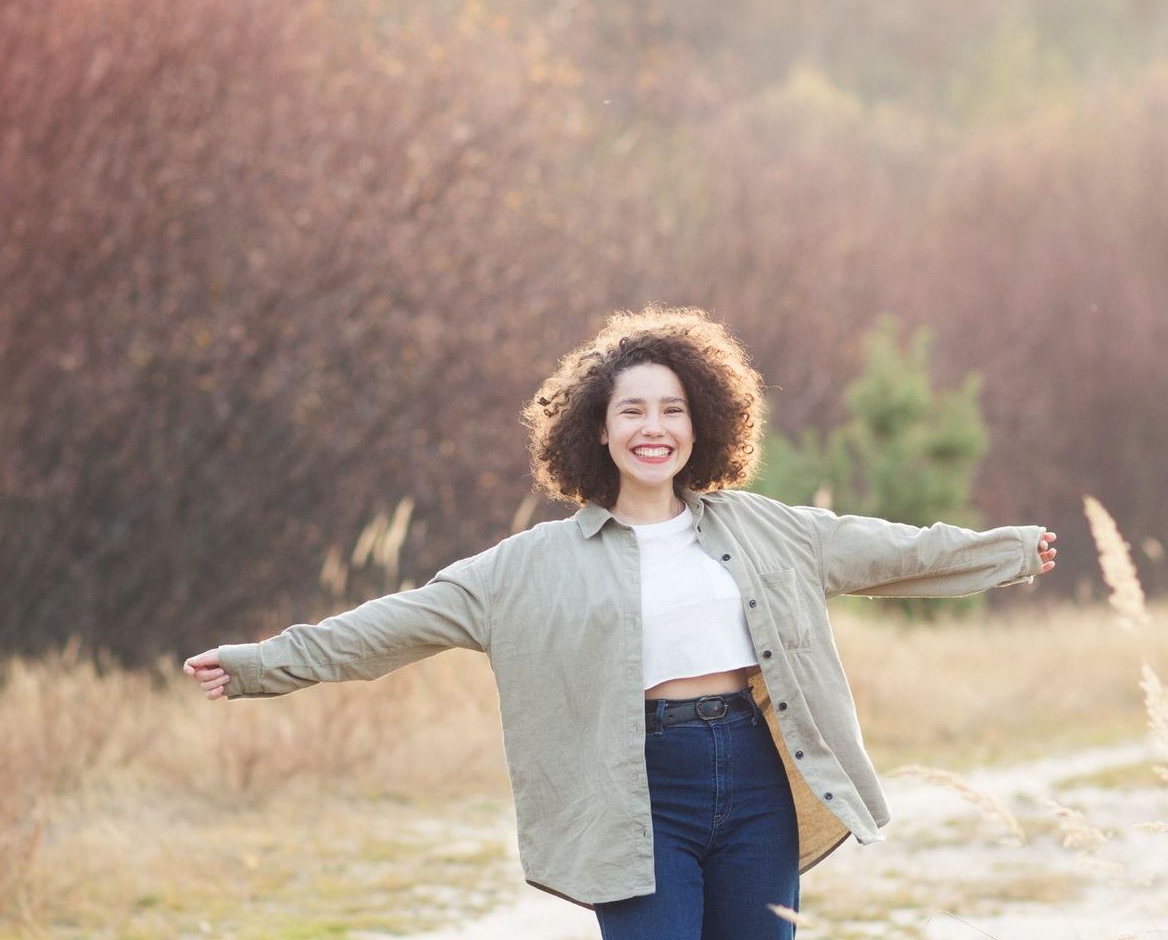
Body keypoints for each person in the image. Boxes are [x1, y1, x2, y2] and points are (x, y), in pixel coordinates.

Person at [184, 305, 1056, 939]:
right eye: (633, 411)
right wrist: (264, 663)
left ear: (701, 423)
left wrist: (1008, 552)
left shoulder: (763, 527)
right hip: (636, 788)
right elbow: (398, 623)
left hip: (756, 777)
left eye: (673, 409)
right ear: (597, 431)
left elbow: (890, 552)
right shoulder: (529, 564)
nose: (654, 428)